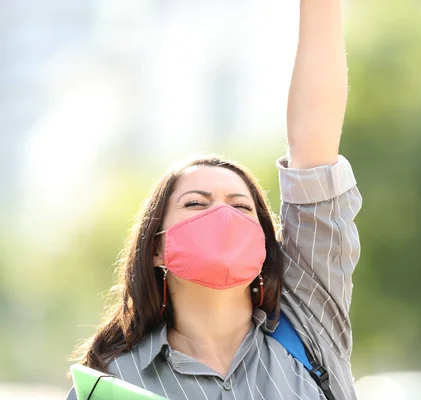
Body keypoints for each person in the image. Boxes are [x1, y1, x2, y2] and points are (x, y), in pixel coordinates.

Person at [66, 0, 362, 399]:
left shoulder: (311, 324)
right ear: (156, 248)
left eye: (241, 207)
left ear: (262, 242)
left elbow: (314, 144)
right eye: (196, 203)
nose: (221, 214)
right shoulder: (114, 381)